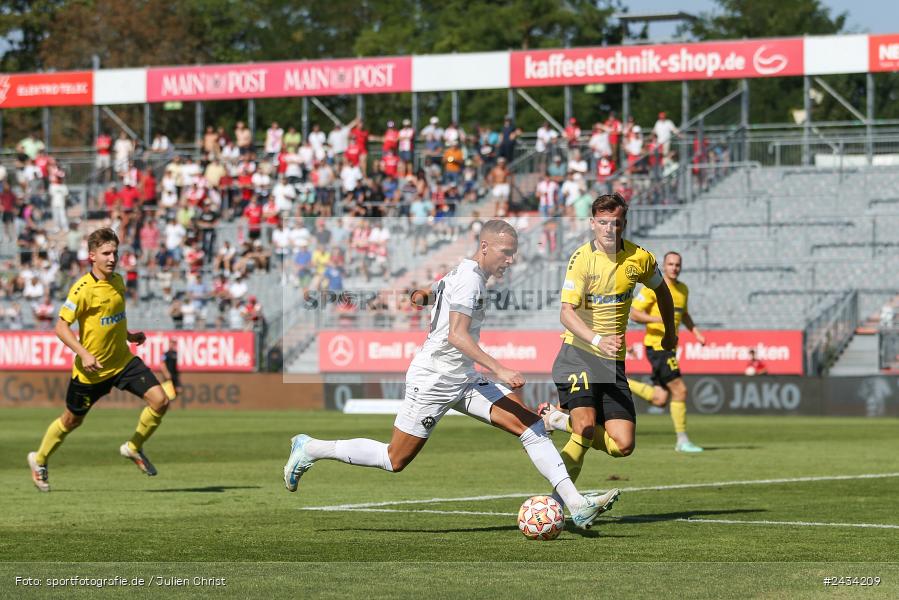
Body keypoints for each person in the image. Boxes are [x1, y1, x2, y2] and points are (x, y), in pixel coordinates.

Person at [283, 220, 617, 529]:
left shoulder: (465, 270)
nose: (511, 260)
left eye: (514, 253)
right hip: (434, 379)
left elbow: (434, 290)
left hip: (463, 378)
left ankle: (576, 505)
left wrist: (423, 296)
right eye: (506, 252)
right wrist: (499, 368)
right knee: (394, 459)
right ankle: (311, 448)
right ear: (485, 247)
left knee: (531, 428)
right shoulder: (470, 279)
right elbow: (457, 335)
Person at [541, 194, 676, 505]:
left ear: (624, 224)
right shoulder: (581, 259)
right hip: (578, 353)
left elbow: (662, 292)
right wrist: (596, 340)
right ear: (592, 223)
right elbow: (566, 313)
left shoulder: (640, 258)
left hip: (612, 362)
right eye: (602, 222)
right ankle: (562, 504)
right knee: (586, 427)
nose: (608, 229)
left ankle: (558, 420)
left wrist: (670, 332)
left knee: (623, 445)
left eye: (615, 223)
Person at [27, 228, 171, 492]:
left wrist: (129, 335)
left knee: (161, 401)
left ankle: (133, 447)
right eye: (106, 253)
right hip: (91, 372)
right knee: (71, 421)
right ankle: (39, 459)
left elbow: (112, 319)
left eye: (115, 252)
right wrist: (83, 353)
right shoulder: (82, 289)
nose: (112, 258)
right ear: (92, 256)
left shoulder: (118, 281)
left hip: (122, 362)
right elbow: (60, 327)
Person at [628, 251, 706, 452]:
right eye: (670, 264)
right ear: (664, 266)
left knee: (660, 399)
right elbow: (634, 313)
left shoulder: (683, 289)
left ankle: (619, 382)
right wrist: (659, 319)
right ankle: (682, 441)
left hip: (670, 348)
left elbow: (684, 314)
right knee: (680, 390)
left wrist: (696, 333)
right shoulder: (653, 288)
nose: (674, 268)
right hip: (657, 346)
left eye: (677, 264)